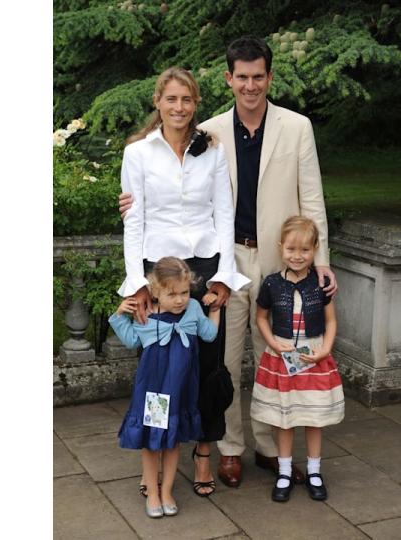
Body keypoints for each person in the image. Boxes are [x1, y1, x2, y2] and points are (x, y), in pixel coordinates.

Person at [120, 36, 338, 488]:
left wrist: (320, 260)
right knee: (220, 358)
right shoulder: (213, 132)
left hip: (282, 261)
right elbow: (155, 176)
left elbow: (312, 197)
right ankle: (228, 449)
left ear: (269, 77)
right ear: (229, 79)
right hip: (227, 257)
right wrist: (130, 206)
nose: (251, 84)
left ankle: (268, 447)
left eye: (259, 76)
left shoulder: (296, 127)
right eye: (242, 77)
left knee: (275, 357)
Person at [117, 67, 251, 499]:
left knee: (210, 368)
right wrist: (138, 282)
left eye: (187, 100)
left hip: (205, 264)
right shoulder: (138, 154)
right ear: (158, 101)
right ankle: (154, 451)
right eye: (171, 99)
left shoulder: (210, 151)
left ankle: (203, 453)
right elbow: (133, 221)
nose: (179, 107)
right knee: (160, 371)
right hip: (160, 270)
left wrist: (224, 278)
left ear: (196, 105)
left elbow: (224, 214)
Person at [109, 257, 223, 517]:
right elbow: (129, 341)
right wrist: (119, 315)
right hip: (155, 391)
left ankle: (168, 490)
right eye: (172, 294)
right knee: (152, 442)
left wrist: (215, 310)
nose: (180, 299)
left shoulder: (193, 309)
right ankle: (152, 491)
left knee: (173, 441)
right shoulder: (148, 315)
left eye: (184, 292)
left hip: (182, 388)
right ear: (156, 291)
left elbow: (209, 334)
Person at [250, 216, 344, 502]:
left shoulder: (319, 284)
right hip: (281, 358)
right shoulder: (272, 284)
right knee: (285, 418)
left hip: (313, 357)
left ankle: (314, 471)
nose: (297, 256)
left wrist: (326, 349)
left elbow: (330, 321)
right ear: (281, 248)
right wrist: (271, 342)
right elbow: (261, 317)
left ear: (315, 249)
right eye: (291, 249)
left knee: (313, 417)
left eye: (304, 250)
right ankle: (285, 470)